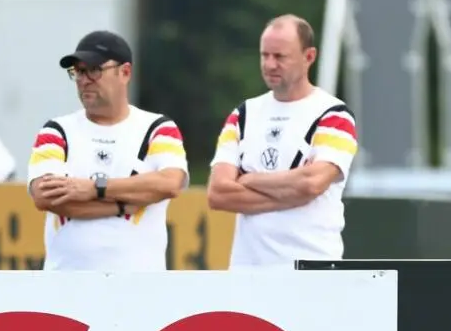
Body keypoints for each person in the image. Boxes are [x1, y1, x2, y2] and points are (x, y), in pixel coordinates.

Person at [27, 30, 189, 271]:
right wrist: (124, 204)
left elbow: (169, 184)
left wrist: (93, 188)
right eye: (79, 72)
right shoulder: (57, 130)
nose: (84, 79)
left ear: (125, 72)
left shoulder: (158, 128)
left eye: (94, 70)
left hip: (139, 285)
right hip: (65, 285)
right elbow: (45, 196)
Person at [207, 14, 358, 268]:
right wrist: (292, 191)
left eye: (280, 57)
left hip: (311, 269)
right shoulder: (242, 115)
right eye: (264, 55)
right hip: (248, 272)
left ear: (309, 57)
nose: (270, 64)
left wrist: (250, 179)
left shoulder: (334, 115)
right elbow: (218, 194)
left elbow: (312, 183)